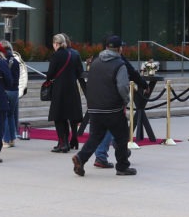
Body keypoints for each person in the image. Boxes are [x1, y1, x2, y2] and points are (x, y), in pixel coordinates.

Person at [71, 35, 145, 177]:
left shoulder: (95, 62)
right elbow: (123, 86)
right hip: (113, 108)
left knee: (95, 136)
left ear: (106, 48)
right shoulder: (119, 64)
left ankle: (81, 157)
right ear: (119, 49)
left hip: (95, 107)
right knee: (122, 137)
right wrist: (126, 100)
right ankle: (122, 167)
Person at [45, 33, 87, 153]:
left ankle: (63, 143)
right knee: (72, 114)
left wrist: (49, 78)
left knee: (59, 116)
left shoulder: (56, 55)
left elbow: (50, 74)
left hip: (59, 89)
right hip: (72, 87)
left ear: (56, 43)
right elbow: (80, 72)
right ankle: (73, 138)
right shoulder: (75, 54)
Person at [1, 40, 25, 147]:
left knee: (4, 115)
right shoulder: (15, 61)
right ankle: (12, 139)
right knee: (11, 115)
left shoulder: (2, 61)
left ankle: (5, 140)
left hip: (5, 90)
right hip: (15, 91)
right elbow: (18, 77)